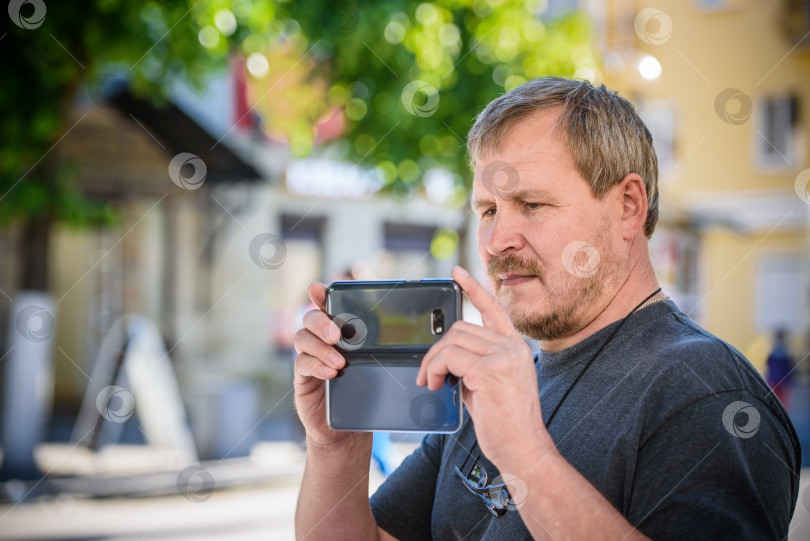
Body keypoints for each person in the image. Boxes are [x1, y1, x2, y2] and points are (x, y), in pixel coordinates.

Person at [292, 77, 801, 540]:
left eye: (532, 205)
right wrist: (335, 448)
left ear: (628, 205)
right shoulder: (494, 383)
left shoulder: (707, 392)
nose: (496, 240)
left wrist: (526, 455)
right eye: (488, 211)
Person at [766, 328, 795, 408]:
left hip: (775, 379)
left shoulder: (773, 352)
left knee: (777, 399)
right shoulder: (785, 352)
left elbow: (768, 364)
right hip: (782, 380)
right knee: (782, 401)